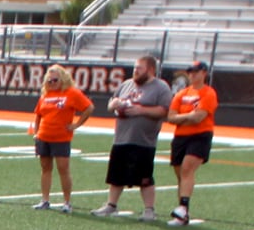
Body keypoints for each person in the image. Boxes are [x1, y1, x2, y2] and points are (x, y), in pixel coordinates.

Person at [95, 54, 171, 220]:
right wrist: (114, 105)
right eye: (135, 67)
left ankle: (149, 210)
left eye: (139, 68)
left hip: (144, 140)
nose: (135, 71)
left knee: (144, 178)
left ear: (150, 69)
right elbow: (112, 103)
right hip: (122, 137)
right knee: (116, 176)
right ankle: (111, 205)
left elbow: (165, 111)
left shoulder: (161, 87)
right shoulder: (126, 85)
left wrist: (141, 110)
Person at [30, 64, 91, 212]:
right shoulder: (45, 95)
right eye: (49, 80)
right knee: (45, 168)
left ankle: (67, 202)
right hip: (44, 136)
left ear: (63, 78)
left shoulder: (72, 93)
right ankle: (45, 200)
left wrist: (76, 125)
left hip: (61, 137)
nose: (52, 83)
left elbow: (88, 107)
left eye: (55, 80)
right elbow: (38, 114)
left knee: (63, 169)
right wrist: (37, 133)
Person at [166, 61, 218, 226]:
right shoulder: (181, 94)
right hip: (181, 136)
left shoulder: (209, 93)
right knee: (180, 174)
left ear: (204, 73)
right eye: (190, 72)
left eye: (196, 71)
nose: (192, 74)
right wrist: (188, 116)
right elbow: (171, 117)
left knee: (187, 168)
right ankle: (183, 215)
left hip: (200, 135)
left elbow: (199, 117)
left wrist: (184, 117)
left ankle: (183, 206)